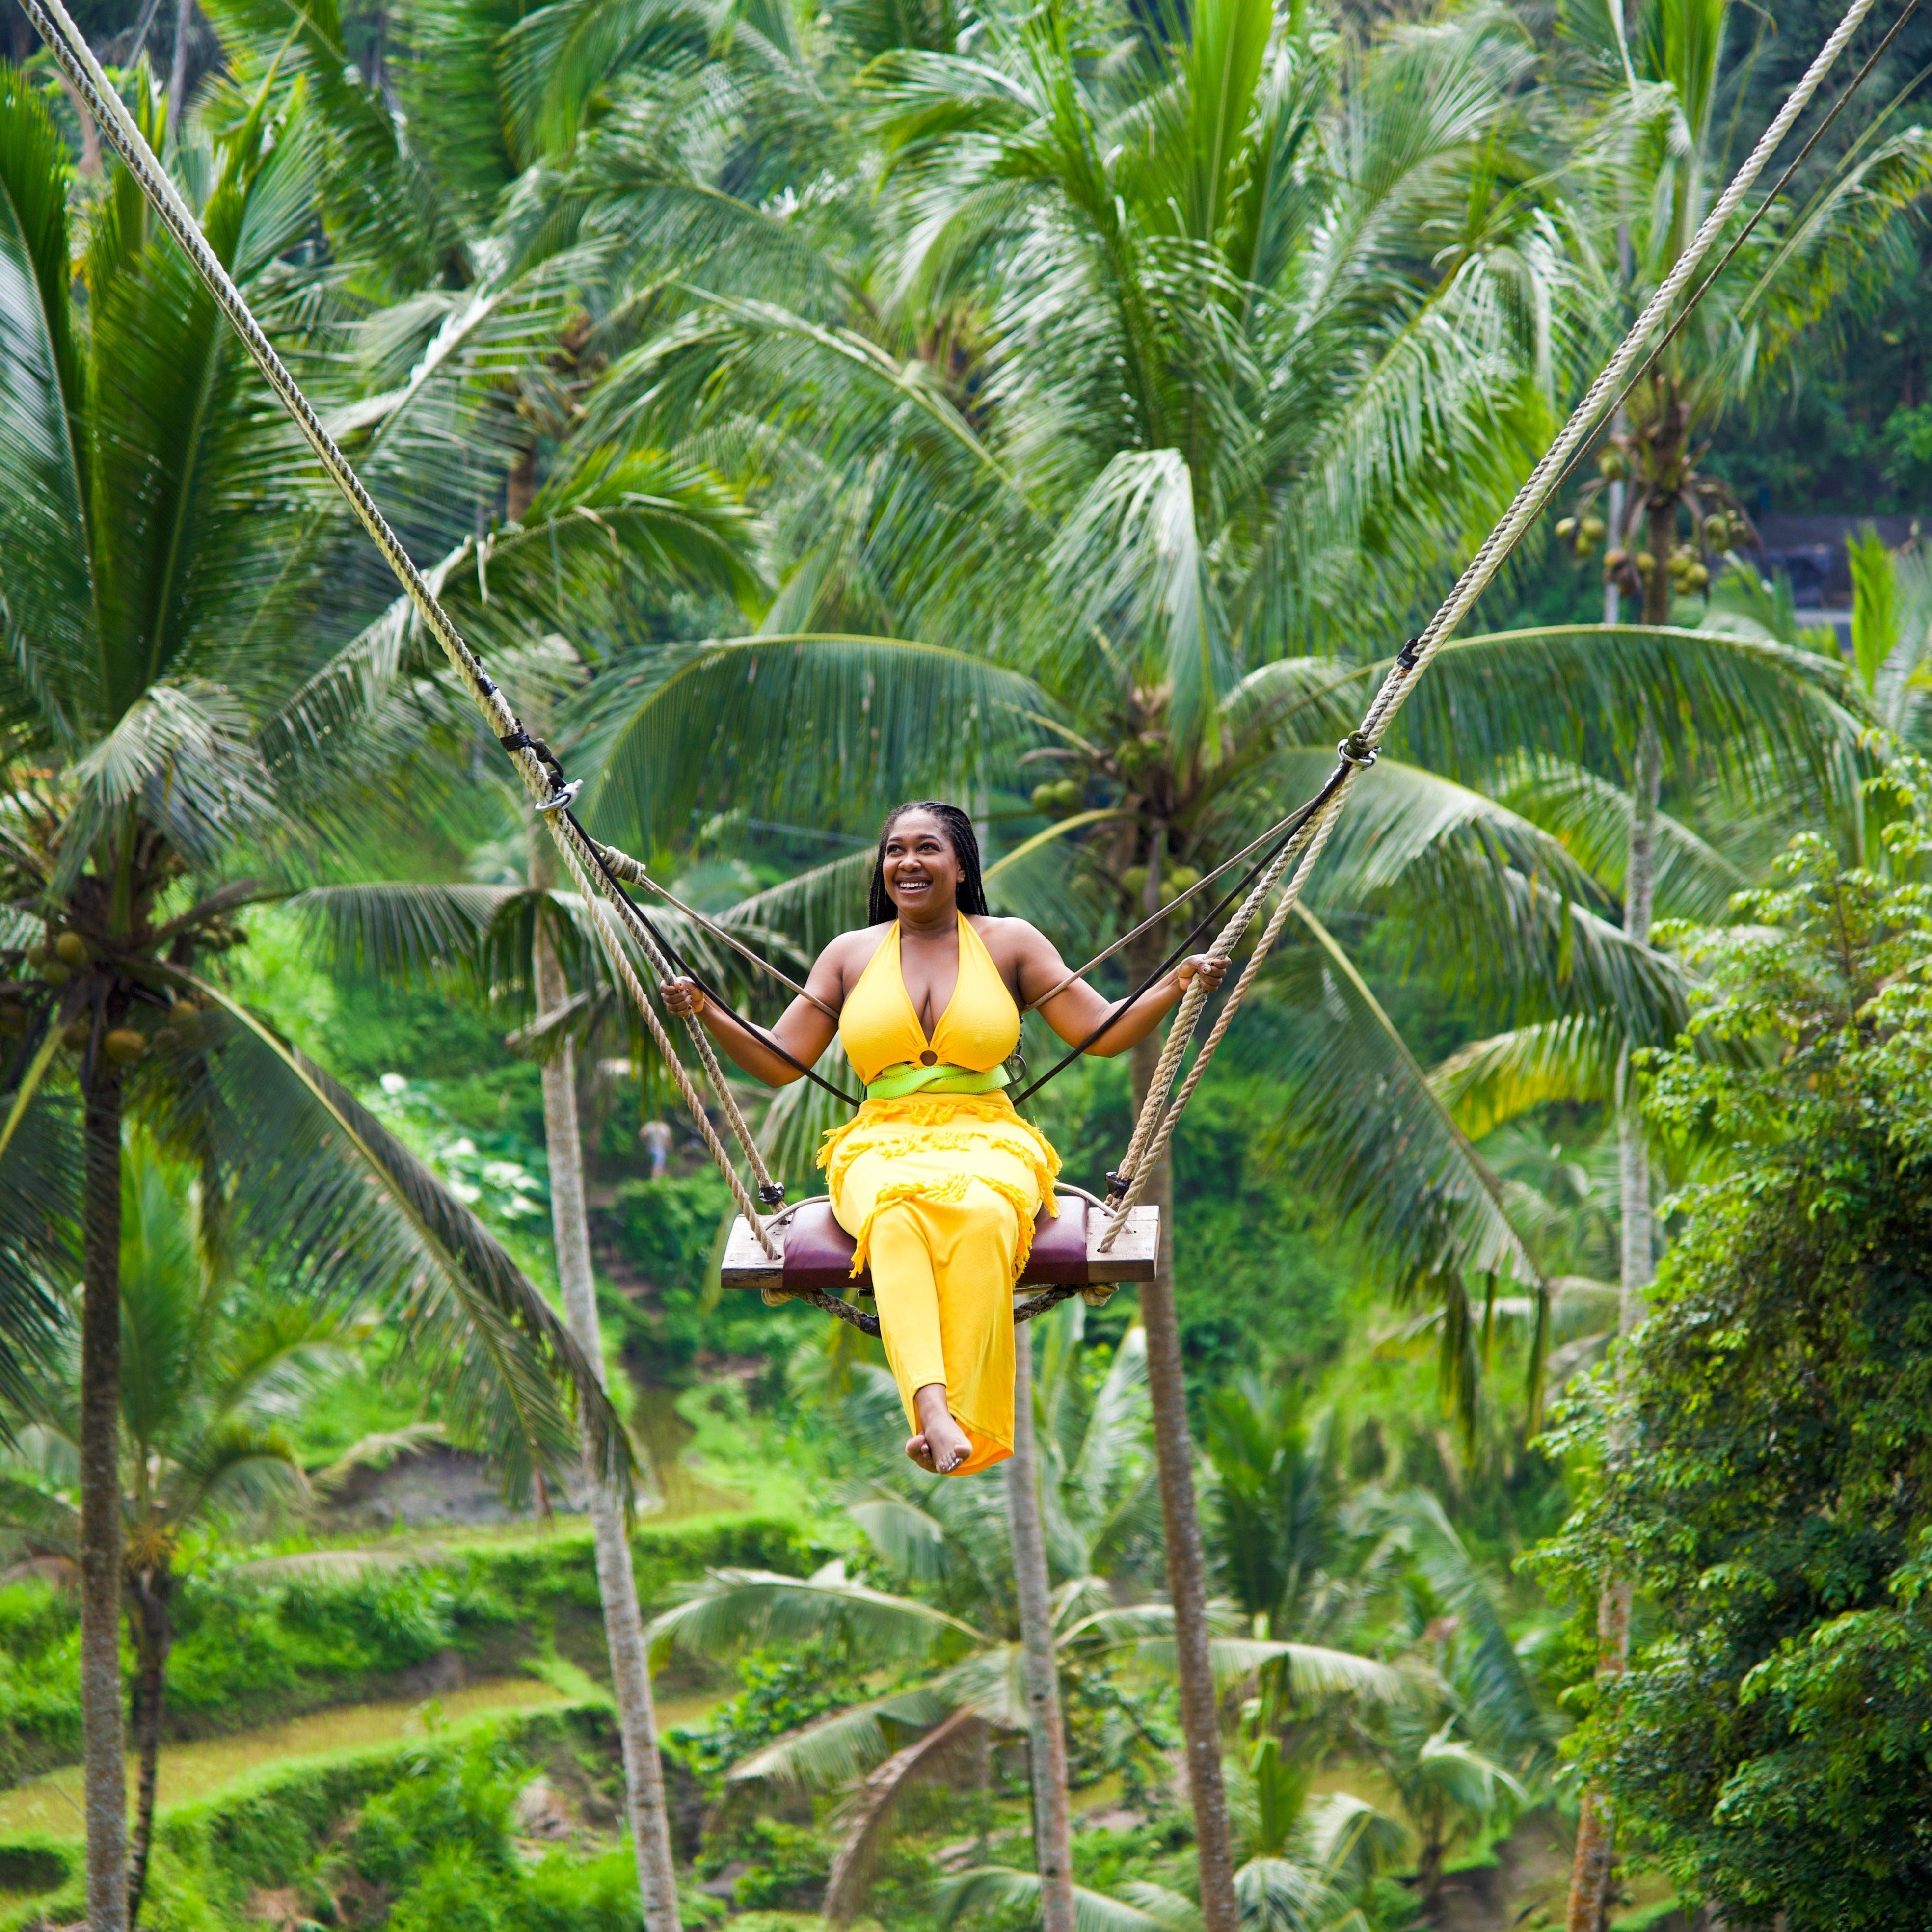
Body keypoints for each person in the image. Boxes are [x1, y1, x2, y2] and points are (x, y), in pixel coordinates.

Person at [662, 803, 1226, 1476]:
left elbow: (1099, 1031)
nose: (908, 863)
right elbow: (782, 1058)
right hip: (880, 1141)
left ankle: (963, 1419)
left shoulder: (1010, 942)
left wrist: (1175, 986)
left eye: (926, 848)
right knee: (895, 1219)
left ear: (960, 866)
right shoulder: (850, 954)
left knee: (988, 1216)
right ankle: (933, 1413)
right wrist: (707, 1013)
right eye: (894, 850)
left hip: (988, 1134)